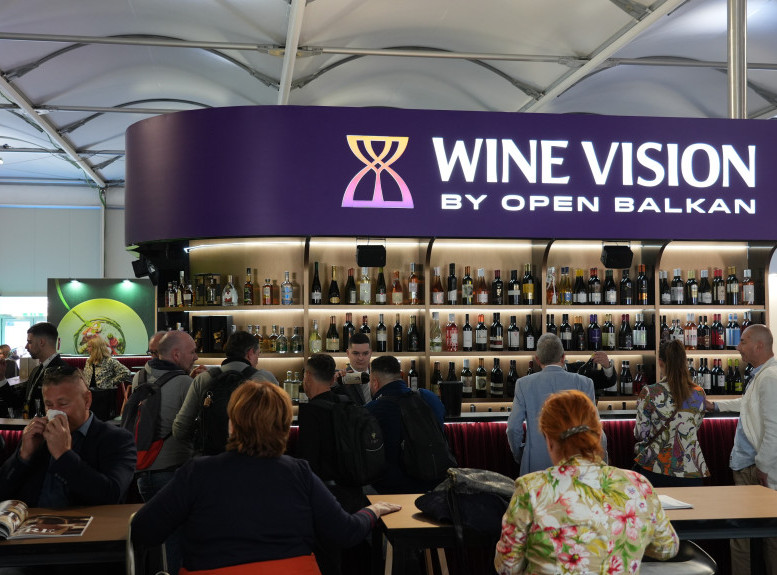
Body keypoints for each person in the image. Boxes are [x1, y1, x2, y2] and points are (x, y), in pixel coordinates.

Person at [130, 380, 401, 574]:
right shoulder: (299, 472)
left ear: (232, 424)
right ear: (283, 427)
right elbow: (346, 532)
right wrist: (373, 511)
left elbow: (144, 530)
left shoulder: (197, 472)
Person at [495, 389, 679, 574]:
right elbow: (667, 548)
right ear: (598, 434)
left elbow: (507, 567)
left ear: (549, 440)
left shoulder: (531, 489)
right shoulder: (638, 484)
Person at [0, 364, 136, 507]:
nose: (55, 412)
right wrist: (23, 456)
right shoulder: (37, 438)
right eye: (49, 405)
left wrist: (63, 455)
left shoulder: (117, 439)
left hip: (87, 520)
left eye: (63, 404)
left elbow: (111, 496)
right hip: (32, 519)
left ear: (87, 400)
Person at [706, 324, 777, 575]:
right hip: (748, 465)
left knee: (754, 537)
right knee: (751, 536)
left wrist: (763, 467)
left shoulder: (769, 377)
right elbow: (747, 404)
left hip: (755, 468)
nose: (738, 347)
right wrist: (715, 407)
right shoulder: (761, 374)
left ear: (759, 345)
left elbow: (774, 428)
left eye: (743, 342)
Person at [132, 330, 197, 575]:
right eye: (192, 352)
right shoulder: (185, 384)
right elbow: (190, 428)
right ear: (176, 354)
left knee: (155, 536)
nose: (196, 357)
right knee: (176, 539)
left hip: (142, 470)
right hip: (172, 472)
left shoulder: (139, 376)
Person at [506, 333, 603, 475]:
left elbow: (513, 428)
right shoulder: (584, 383)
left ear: (537, 359)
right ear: (563, 357)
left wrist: (521, 455)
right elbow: (596, 428)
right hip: (577, 467)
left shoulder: (523, 384)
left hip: (535, 465)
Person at [173, 330, 278, 449]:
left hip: (212, 457)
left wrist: (202, 439)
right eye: (257, 354)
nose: (257, 360)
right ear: (250, 353)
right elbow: (279, 424)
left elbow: (180, 430)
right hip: (253, 455)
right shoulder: (265, 379)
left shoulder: (203, 379)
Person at [365, 355, 446, 494]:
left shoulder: (371, 410)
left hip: (393, 489)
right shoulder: (428, 397)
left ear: (375, 382)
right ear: (401, 375)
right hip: (435, 483)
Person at [634, 339, 708, 487]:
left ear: (660, 362)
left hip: (656, 466)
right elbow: (695, 427)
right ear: (684, 362)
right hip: (691, 469)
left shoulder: (650, 392)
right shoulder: (699, 392)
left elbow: (641, 433)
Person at [0, 322, 67, 418]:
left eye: (30, 342)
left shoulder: (63, 372)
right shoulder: (36, 370)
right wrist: (2, 378)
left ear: (41, 342)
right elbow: (17, 402)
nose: (26, 346)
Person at [334, 332, 372, 405]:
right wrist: (335, 383)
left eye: (365, 353)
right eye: (356, 353)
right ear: (348, 353)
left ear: (370, 353)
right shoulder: (340, 379)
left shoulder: (379, 376)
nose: (360, 358)